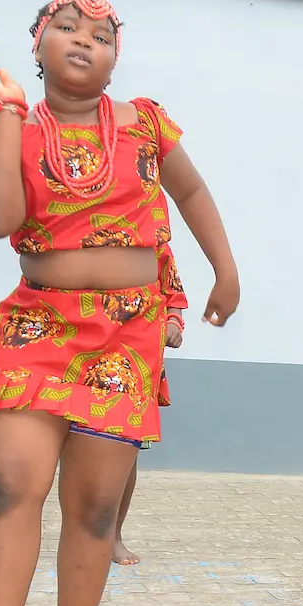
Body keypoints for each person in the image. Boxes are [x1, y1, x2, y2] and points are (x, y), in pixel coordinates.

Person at [0, 0, 240, 606]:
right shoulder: (9, 125)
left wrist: (225, 269)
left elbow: (192, 191)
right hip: (39, 326)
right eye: (67, 28)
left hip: (128, 332)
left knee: (97, 504)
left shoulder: (144, 122)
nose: (84, 40)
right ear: (38, 43)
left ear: (115, 58)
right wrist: (8, 112)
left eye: (101, 36)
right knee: (12, 483)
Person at [110, 240, 189, 566]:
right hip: (79, 352)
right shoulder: (81, 232)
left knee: (126, 450)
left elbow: (173, 297)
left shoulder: (154, 243)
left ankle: (113, 535)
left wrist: (173, 324)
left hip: (135, 360)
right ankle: (85, 533)